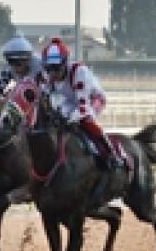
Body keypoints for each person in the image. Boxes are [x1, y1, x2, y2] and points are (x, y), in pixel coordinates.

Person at [39, 37, 123, 170]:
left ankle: (111, 153)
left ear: (65, 62)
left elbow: (83, 108)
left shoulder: (79, 72)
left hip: (93, 99)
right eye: (48, 68)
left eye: (56, 68)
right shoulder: (47, 75)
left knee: (85, 120)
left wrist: (68, 118)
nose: (52, 73)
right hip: (71, 101)